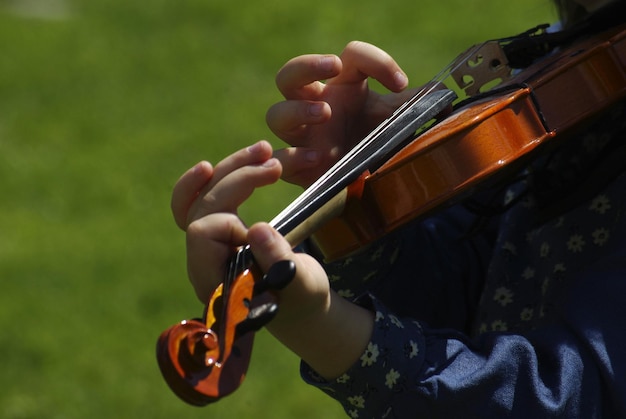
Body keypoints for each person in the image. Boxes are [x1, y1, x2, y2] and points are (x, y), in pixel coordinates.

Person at [170, 0, 626, 416]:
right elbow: (470, 283)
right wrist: (369, 205)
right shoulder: (588, 56)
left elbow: (578, 399)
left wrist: (327, 331)